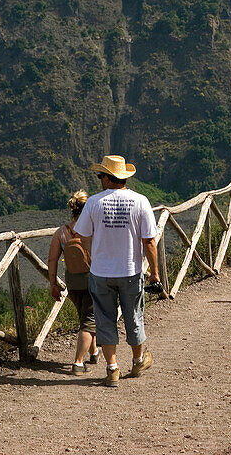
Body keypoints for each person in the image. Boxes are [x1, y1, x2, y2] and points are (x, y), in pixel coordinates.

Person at [73, 155, 159, 388]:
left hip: (101, 271)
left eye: (100, 175)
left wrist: (94, 255)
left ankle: (112, 369)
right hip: (131, 270)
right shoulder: (140, 201)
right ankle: (138, 360)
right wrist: (155, 273)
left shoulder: (93, 203)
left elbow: (82, 235)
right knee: (133, 316)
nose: (99, 179)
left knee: (104, 318)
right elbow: (149, 241)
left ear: (106, 178)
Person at [47, 190, 98, 376]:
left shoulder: (61, 232)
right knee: (90, 320)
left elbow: (52, 260)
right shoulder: (94, 229)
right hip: (94, 279)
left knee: (85, 317)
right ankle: (77, 363)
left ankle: (94, 352)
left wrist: (53, 284)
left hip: (73, 282)